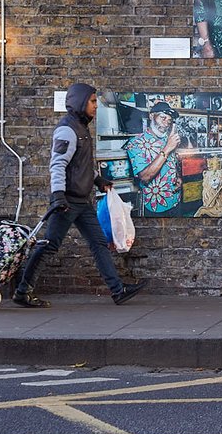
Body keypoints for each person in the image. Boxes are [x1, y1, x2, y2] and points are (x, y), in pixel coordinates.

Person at [13, 84, 146, 307]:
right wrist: (57, 196)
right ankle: (22, 291)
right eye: (93, 101)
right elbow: (58, 165)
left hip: (82, 201)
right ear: (80, 102)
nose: (96, 106)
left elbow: (80, 165)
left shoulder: (81, 128)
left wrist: (97, 180)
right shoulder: (67, 130)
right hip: (67, 201)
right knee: (49, 246)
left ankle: (118, 290)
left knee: (99, 243)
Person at [125, 101, 183, 216]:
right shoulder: (135, 143)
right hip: (155, 206)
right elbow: (145, 177)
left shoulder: (168, 139)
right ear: (151, 116)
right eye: (163, 118)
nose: (166, 123)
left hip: (176, 200)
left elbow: (172, 162)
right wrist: (167, 148)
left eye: (169, 120)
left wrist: (178, 177)